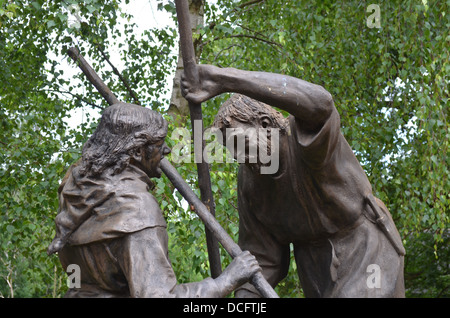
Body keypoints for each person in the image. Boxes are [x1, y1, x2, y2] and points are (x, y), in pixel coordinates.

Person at [181, 65, 405, 298]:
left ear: (266, 125)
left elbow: (321, 102)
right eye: (234, 153)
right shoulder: (249, 181)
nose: (242, 158)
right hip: (316, 269)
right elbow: (263, 256)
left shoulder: (305, 136)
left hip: (365, 249)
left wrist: (225, 79)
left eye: (242, 145)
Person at [47, 102, 260, 298]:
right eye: (159, 144)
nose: (166, 150)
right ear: (139, 152)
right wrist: (225, 282)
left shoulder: (74, 187)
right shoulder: (136, 209)